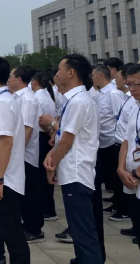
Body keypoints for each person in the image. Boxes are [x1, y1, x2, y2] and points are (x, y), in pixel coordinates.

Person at [45, 54, 104, 264]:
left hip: (77, 173)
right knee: (80, 230)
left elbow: (67, 140)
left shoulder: (79, 102)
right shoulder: (75, 100)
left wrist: (52, 165)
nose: (57, 74)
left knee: (83, 232)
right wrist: (52, 155)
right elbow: (65, 136)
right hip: (74, 171)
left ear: (71, 73)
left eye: (60, 69)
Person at [0, 56, 30, 264]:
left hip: (5, 179)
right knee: (9, 230)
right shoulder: (2, 100)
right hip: (3, 176)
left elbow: (6, 143)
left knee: (12, 234)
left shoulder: (2, 103)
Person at [9, 66, 43, 243]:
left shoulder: (27, 99)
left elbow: (27, 130)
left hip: (25, 155)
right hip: (19, 153)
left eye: (11, 76)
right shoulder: (17, 97)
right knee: (23, 193)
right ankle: (26, 224)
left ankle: (34, 229)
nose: (9, 79)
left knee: (30, 193)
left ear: (20, 80)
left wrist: (17, 152)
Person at [92, 65, 127, 223]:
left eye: (93, 75)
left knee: (117, 177)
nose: (92, 78)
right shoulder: (100, 93)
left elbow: (119, 117)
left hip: (112, 140)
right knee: (109, 176)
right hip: (103, 141)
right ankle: (116, 204)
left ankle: (122, 209)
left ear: (100, 75)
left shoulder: (113, 94)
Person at [116, 63, 140, 252]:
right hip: (132, 181)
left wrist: (135, 174)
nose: (132, 89)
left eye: (137, 84)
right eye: (129, 84)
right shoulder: (135, 108)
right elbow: (126, 140)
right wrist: (121, 168)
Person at [33, 71, 58, 221]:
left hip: (43, 137)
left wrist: (49, 132)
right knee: (45, 174)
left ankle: (47, 210)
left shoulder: (37, 97)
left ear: (35, 82)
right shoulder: (47, 96)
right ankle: (48, 209)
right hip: (49, 136)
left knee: (41, 176)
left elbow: (41, 121)